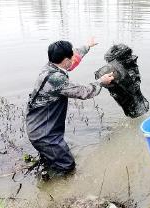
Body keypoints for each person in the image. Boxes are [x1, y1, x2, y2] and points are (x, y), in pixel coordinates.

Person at [26, 38, 114, 174]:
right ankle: (58, 191)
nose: (73, 58)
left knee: (52, 163)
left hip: (38, 127)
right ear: (65, 60)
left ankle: (46, 176)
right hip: (45, 135)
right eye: (70, 57)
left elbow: (74, 58)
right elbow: (84, 92)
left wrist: (87, 46)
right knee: (68, 166)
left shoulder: (50, 66)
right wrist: (101, 82)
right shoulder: (56, 79)